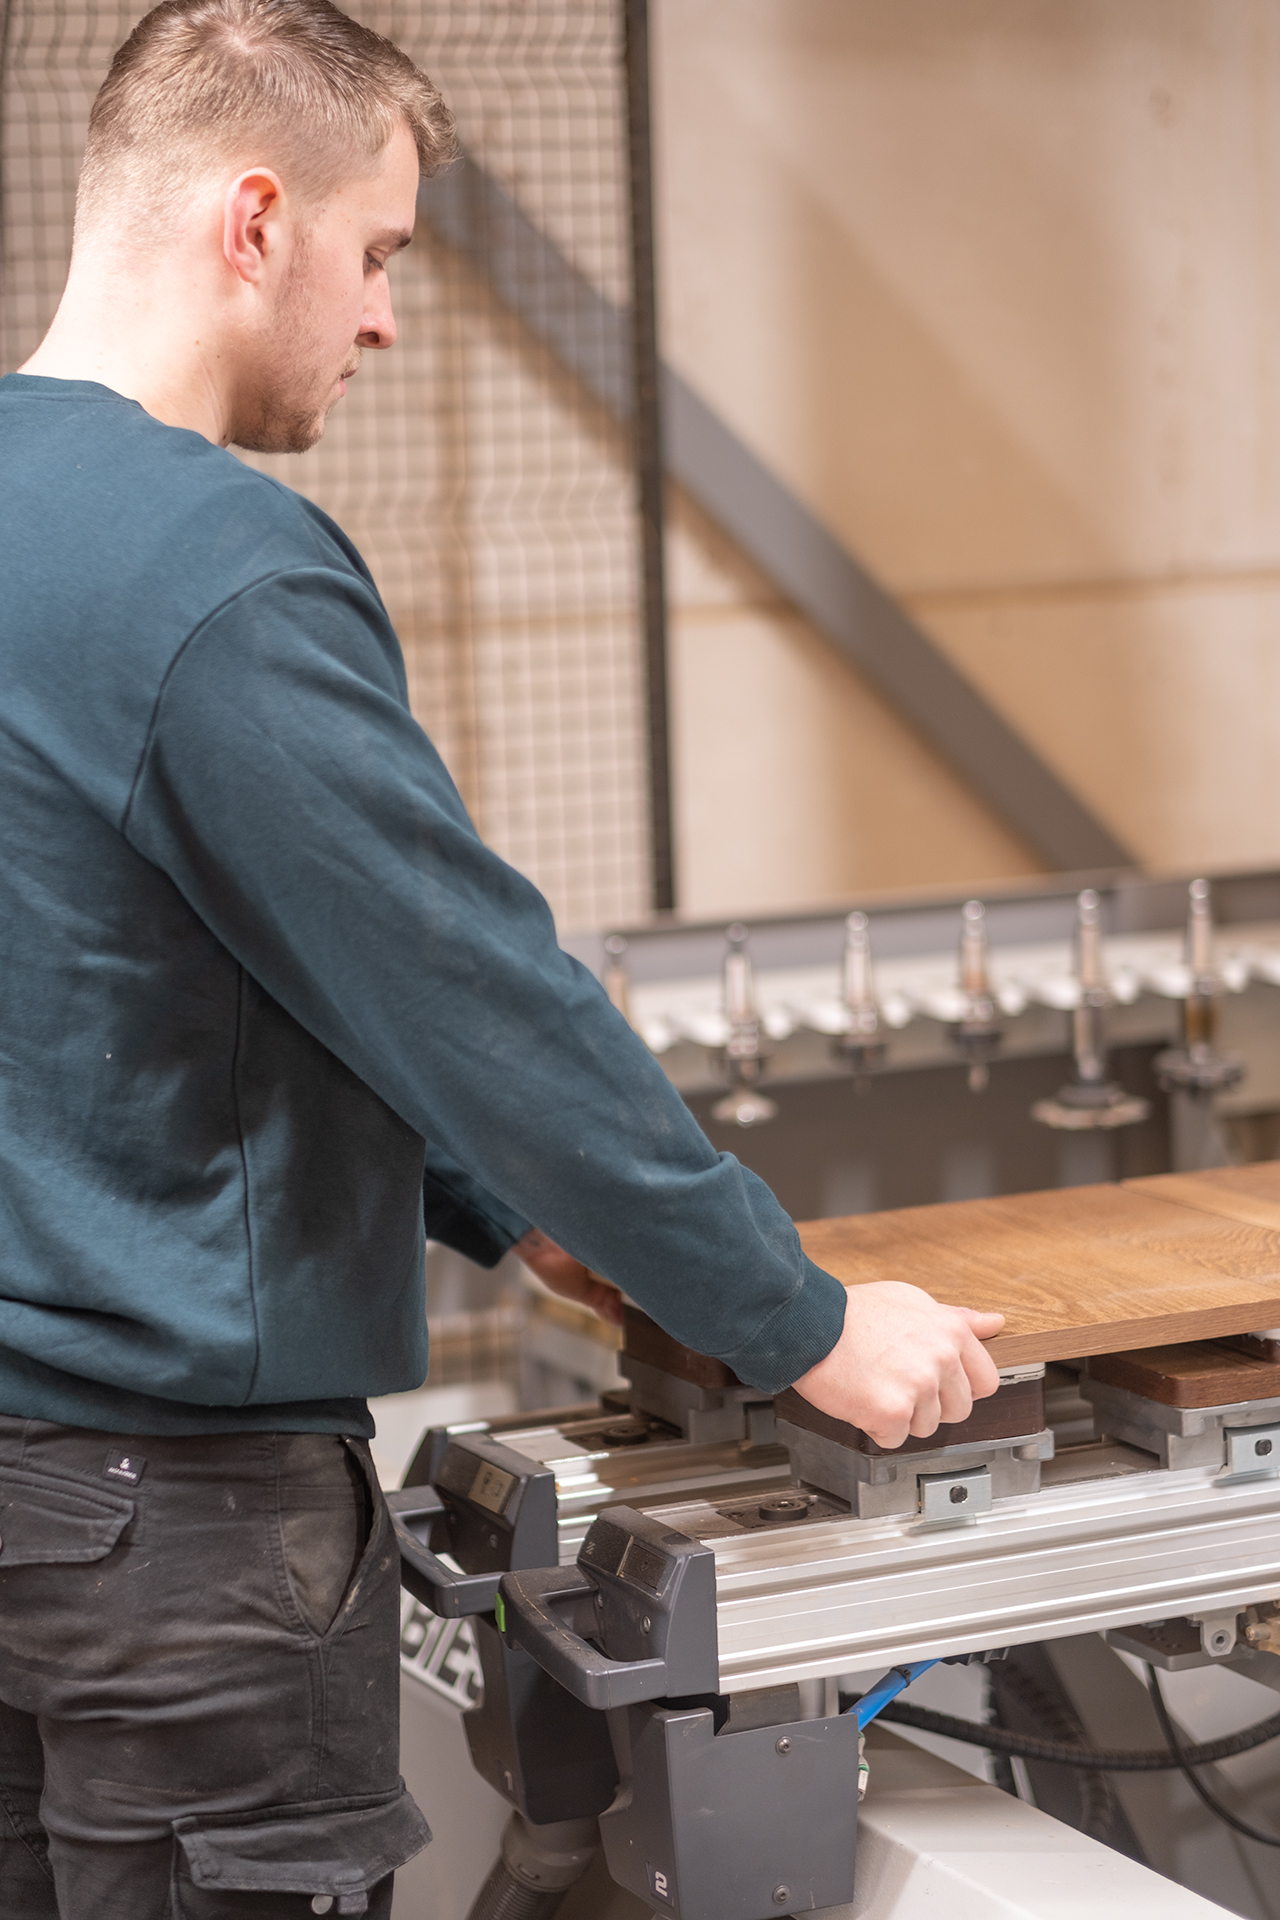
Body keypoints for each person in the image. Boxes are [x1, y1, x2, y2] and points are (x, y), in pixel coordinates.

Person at [0, 1, 1004, 1912]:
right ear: (252, 220)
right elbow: (469, 990)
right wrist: (794, 1317)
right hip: (179, 1547)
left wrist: (489, 1207)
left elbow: (145, 969)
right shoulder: (212, 567)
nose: (384, 319)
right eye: (376, 255)